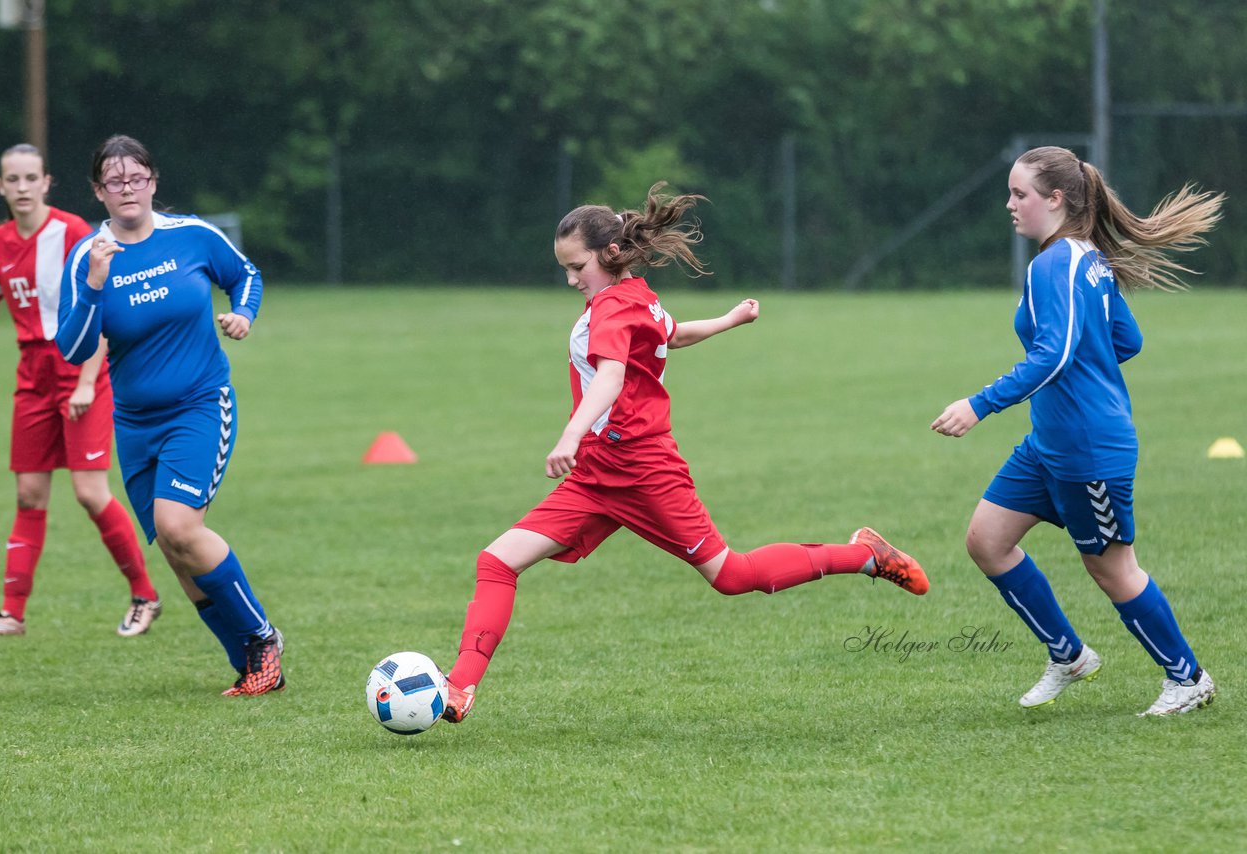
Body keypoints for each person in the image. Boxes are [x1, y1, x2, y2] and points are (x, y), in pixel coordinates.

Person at [441, 182, 928, 724]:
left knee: (735, 576)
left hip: (648, 473)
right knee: (497, 561)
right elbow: (673, 334)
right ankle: (459, 688)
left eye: (576, 266)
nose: (571, 279)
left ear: (610, 253)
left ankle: (864, 555)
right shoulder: (636, 297)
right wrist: (728, 320)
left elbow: (609, 378)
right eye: (565, 269)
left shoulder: (612, 309)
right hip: (599, 475)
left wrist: (569, 434)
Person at [931, 146, 1223, 716]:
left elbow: (1054, 353)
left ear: (1056, 199)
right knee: (987, 540)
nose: (1010, 205)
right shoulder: (1090, 258)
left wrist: (979, 404)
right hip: (1050, 445)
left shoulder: (1053, 265)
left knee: (1112, 569)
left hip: (1089, 450)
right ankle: (1067, 655)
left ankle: (1188, 678)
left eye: (1021, 194)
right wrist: (1088, 368)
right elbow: (1126, 340)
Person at [55, 135, 283, 696]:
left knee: (181, 526)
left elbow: (245, 274)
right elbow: (75, 350)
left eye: (136, 177)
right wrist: (92, 290)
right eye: (114, 180)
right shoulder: (88, 258)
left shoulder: (193, 236)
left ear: (153, 181)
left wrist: (243, 314)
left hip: (201, 405)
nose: (126, 188)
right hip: (135, 424)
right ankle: (251, 666)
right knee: (177, 551)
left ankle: (263, 638)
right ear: (98, 192)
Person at [0, 143, 161, 639]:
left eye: (31, 178)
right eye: (12, 179)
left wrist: (84, 380)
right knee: (30, 495)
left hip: (80, 370)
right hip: (32, 379)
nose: (22, 187)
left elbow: (103, 308)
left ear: (47, 182)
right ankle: (12, 613)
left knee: (89, 492)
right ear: (0, 186)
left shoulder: (75, 232)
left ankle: (145, 594)